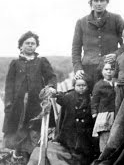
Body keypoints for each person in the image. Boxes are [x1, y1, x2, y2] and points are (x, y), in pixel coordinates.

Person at [3, 31, 57, 163]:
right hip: (18, 105)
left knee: (34, 131)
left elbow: (51, 77)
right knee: (19, 131)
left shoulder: (41, 62)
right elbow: (9, 85)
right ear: (21, 46)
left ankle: (32, 158)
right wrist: (8, 104)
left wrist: (50, 86)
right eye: (27, 43)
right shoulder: (15, 63)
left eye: (33, 43)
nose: (30, 46)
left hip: (36, 104)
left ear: (36, 46)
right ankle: (17, 157)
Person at [28, 75, 96, 165]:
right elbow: (61, 98)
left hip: (84, 132)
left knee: (83, 148)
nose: (81, 88)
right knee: (70, 145)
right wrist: (55, 93)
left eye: (84, 85)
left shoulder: (90, 98)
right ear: (74, 86)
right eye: (78, 85)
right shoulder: (70, 96)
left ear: (88, 87)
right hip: (70, 130)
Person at [72, 0, 124, 91]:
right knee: (88, 100)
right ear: (90, 3)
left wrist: (116, 54)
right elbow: (76, 48)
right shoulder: (81, 22)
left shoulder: (116, 19)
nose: (99, 4)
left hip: (110, 68)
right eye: (96, 1)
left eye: (102, 0)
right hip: (88, 69)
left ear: (107, 2)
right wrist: (78, 68)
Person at [91, 62, 116, 152]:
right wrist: (94, 113)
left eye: (111, 69)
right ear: (101, 71)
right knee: (105, 137)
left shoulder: (117, 83)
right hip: (105, 114)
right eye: (106, 69)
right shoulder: (99, 85)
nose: (109, 72)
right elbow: (94, 101)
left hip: (116, 113)